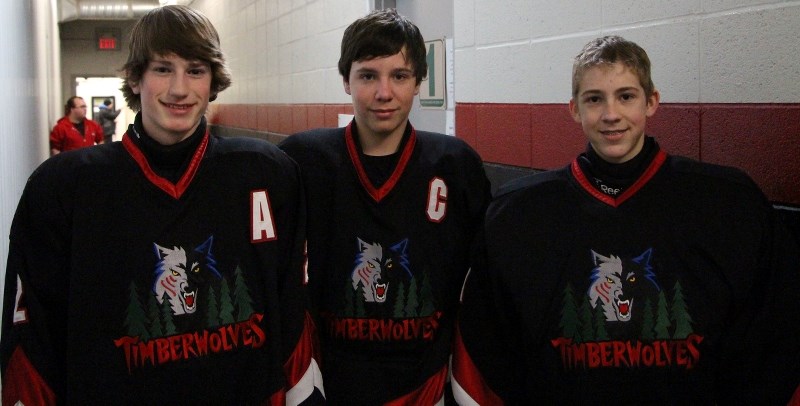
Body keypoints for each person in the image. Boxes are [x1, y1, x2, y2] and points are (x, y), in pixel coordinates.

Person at [452, 35, 800, 405]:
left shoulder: (729, 204)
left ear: (652, 102)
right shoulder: (517, 215)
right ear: (574, 109)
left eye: (626, 96)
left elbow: (778, 338)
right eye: (594, 98)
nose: (611, 114)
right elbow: (485, 348)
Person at [1, 5, 323, 404]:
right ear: (135, 78)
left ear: (213, 81)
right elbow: (33, 340)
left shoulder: (267, 174)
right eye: (162, 69)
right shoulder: (63, 189)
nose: (179, 89)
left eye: (195, 70)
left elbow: (293, 313)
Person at [279, 8, 490, 405]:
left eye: (399, 76)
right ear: (345, 80)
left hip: (425, 383)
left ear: (418, 82)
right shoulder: (304, 161)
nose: (384, 93)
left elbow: (481, 282)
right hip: (329, 379)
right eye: (368, 76)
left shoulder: (455, 164)